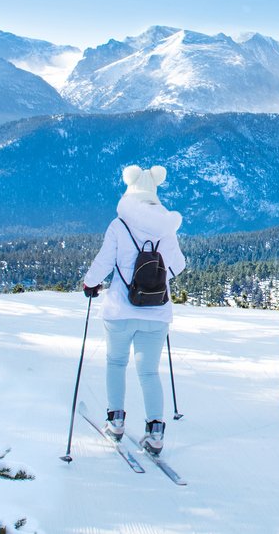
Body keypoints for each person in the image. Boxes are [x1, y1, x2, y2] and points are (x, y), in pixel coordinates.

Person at [83, 164, 186, 454]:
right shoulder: (166, 230)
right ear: (154, 194)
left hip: (120, 309)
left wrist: (90, 284)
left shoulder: (119, 225)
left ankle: (115, 421)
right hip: (157, 312)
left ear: (130, 192)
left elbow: (104, 261)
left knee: (116, 363)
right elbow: (177, 266)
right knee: (150, 372)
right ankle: (155, 432)